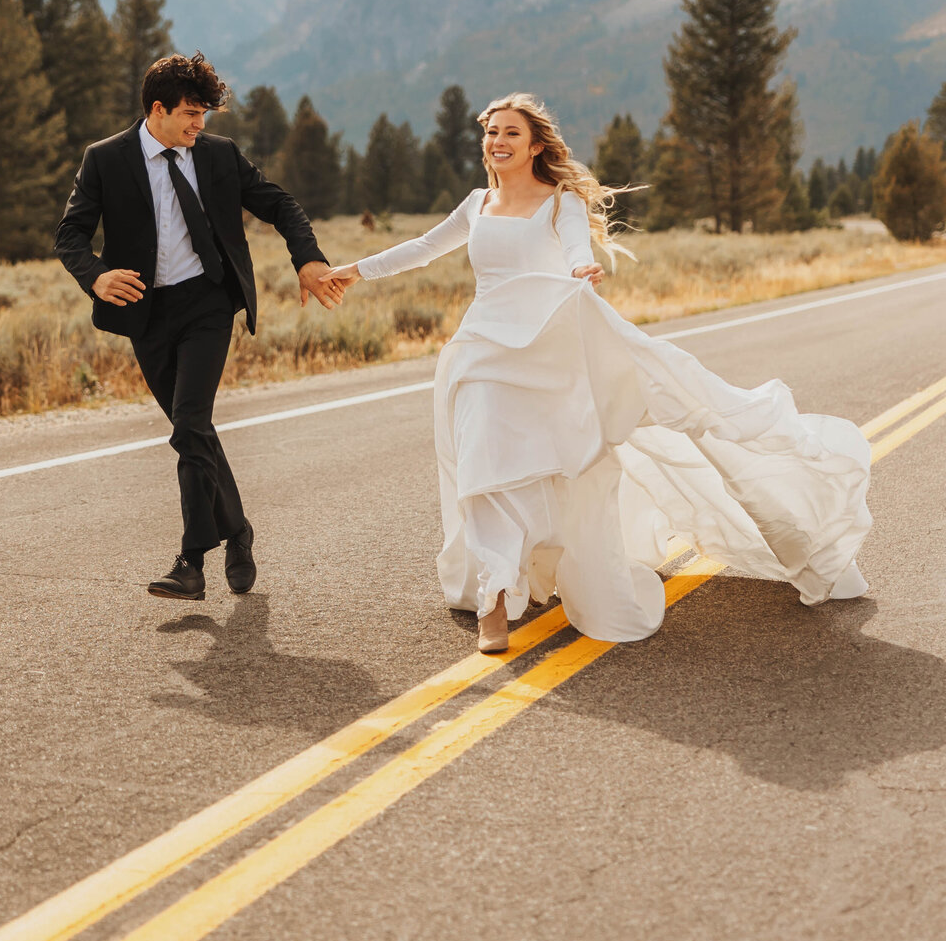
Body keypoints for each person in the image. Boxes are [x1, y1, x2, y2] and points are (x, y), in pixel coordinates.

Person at [318, 93, 872, 655]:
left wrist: (582, 268)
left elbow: (576, 253)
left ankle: (539, 566)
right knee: (482, 469)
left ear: (536, 146)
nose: (498, 142)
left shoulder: (561, 204)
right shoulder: (476, 204)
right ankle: (493, 602)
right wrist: (352, 271)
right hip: (480, 353)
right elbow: (422, 248)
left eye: (511, 133)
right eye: (492, 133)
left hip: (544, 355)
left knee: (546, 472)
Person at [55, 52, 340, 601]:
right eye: (189, 113)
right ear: (157, 110)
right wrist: (95, 276)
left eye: (204, 113)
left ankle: (191, 561)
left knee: (188, 424)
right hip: (146, 312)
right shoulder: (106, 159)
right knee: (196, 431)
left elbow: (279, 204)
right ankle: (238, 531)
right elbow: (70, 234)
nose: (199, 124)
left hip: (208, 304)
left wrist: (307, 258)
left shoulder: (218, 155)